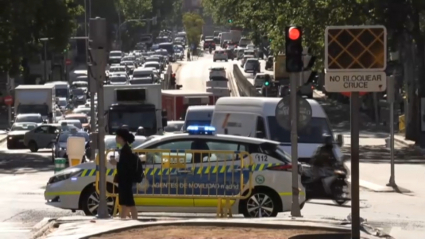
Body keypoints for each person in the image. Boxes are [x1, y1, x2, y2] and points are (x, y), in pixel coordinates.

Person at [109, 128, 138, 219]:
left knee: (128, 201)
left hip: (125, 179)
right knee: (125, 201)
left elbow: (125, 165)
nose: (116, 139)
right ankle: (123, 218)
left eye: (117, 137)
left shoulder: (126, 150)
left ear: (121, 138)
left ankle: (132, 219)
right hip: (125, 179)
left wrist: (115, 163)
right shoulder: (125, 149)